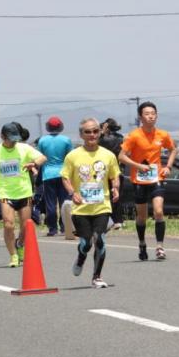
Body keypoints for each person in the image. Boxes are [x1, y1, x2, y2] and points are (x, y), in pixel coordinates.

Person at [61, 118, 120, 288]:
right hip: (81, 208)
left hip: (102, 206)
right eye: (88, 132)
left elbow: (114, 175)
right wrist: (72, 193)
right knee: (86, 243)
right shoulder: (73, 156)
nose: (92, 135)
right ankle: (81, 257)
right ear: (81, 135)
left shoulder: (108, 155)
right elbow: (65, 177)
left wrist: (115, 188)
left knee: (99, 239)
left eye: (95, 131)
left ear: (100, 132)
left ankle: (97, 277)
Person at [0, 121, 47, 267]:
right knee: (8, 224)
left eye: (15, 139)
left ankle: (20, 243)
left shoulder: (24, 148)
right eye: (10, 139)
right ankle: (13, 255)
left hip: (24, 192)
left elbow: (43, 157)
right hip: (6, 193)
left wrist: (34, 163)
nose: (12, 142)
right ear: (2, 137)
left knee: (26, 225)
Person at [118, 101, 176, 261]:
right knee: (142, 217)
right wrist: (137, 166)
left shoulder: (162, 135)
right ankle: (142, 243)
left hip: (156, 178)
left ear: (156, 115)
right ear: (140, 117)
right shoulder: (134, 135)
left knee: (158, 211)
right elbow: (121, 156)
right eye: (147, 114)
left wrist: (168, 167)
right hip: (139, 181)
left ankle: (159, 246)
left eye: (153, 113)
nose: (150, 116)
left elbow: (173, 149)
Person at [35, 116, 73, 237]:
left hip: (48, 175)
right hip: (63, 174)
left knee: (50, 203)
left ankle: (52, 229)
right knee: (64, 201)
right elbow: (70, 157)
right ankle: (64, 227)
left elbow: (39, 157)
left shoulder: (42, 141)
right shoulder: (66, 140)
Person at [99, 118, 128, 230]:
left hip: (103, 170)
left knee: (105, 196)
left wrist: (102, 133)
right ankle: (118, 221)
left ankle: (107, 220)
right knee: (117, 196)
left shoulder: (102, 139)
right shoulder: (121, 138)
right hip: (118, 170)